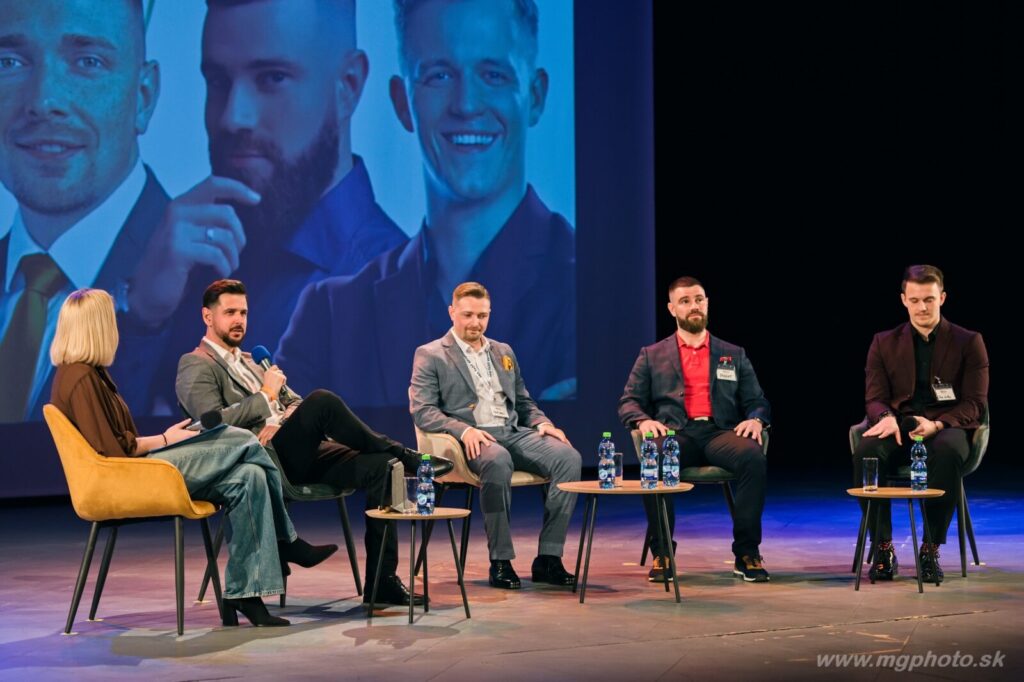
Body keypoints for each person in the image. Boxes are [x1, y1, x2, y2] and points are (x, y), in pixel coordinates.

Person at [277, 0, 574, 407]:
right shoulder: (330, 316)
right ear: (402, 101)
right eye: (439, 75)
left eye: (493, 75)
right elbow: (277, 436)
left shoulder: (589, 293)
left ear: (535, 96)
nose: (466, 104)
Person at [134, 0, 408, 413]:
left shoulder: (393, 291)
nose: (233, 117)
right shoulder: (184, 262)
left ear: (348, 86)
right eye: (218, 81)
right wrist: (143, 316)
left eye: (272, 78)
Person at [48, 288, 337, 627]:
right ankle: (287, 540)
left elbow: (116, 442)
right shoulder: (80, 376)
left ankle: (245, 594)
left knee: (250, 476)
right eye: (110, 319)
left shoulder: (91, 372)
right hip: (124, 477)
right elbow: (113, 450)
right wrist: (166, 439)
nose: (116, 326)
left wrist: (166, 437)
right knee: (242, 438)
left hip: (132, 468)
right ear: (96, 326)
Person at [176, 279, 452, 606]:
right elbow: (209, 425)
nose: (239, 320)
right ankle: (407, 455)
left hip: (297, 450)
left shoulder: (253, 360)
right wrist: (265, 396)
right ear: (207, 316)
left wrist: (280, 421)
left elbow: (294, 401)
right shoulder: (196, 363)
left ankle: (382, 581)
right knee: (322, 401)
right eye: (230, 312)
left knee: (383, 467)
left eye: (244, 313)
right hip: (262, 460)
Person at [0, 0, 167, 421]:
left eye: (88, 61)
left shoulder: (221, 289)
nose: (44, 100)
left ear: (143, 98)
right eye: (9, 62)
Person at [410, 281, 580, 589]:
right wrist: (464, 430)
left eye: (482, 315)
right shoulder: (431, 354)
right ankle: (500, 561)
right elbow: (423, 411)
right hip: (469, 440)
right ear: (452, 312)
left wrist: (542, 423)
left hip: (512, 432)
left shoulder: (503, 351)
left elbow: (523, 402)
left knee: (568, 458)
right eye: (468, 315)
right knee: (498, 460)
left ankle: (549, 558)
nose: (475, 323)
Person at [618, 276, 771, 583]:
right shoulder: (652, 355)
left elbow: (757, 400)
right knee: (654, 458)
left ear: (707, 303)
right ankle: (662, 552)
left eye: (699, 299)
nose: (694, 306)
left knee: (753, 457)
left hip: (719, 433)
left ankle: (746, 552)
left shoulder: (733, 353)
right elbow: (629, 401)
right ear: (672, 308)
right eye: (685, 301)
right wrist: (643, 421)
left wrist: (756, 419)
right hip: (676, 435)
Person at [853, 265, 989, 584]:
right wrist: (886, 418)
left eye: (929, 299)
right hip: (901, 425)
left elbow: (975, 403)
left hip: (947, 426)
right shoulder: (883, 342)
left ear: (942, 298)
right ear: (904, 300)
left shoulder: (969, 341)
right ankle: (883, 549)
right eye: (914, 300)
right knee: (866, 451)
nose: (922, 307)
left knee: (946, 453)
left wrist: (938, 424)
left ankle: (930, 549)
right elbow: (874, 397)